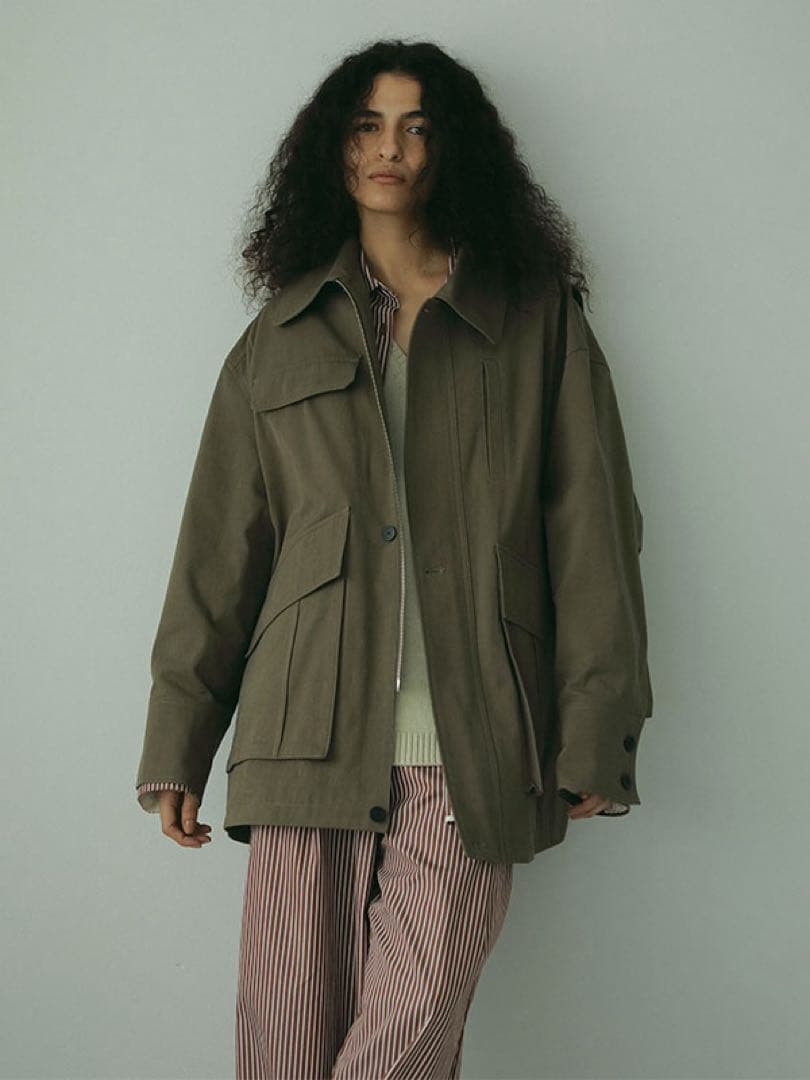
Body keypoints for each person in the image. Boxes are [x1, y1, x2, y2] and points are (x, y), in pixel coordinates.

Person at [135, 38, 653, 1079]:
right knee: (285, 1046)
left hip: (477, 739)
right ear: (333, 150)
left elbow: (592, 533)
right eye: (368, 126)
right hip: (302, 744)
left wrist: (598, 727)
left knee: (404, 1040)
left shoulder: (534, 322)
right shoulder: (280, 337)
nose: (391, 149)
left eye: (418, 128)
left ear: (452, 151)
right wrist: (177, 740)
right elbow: (219, 550)